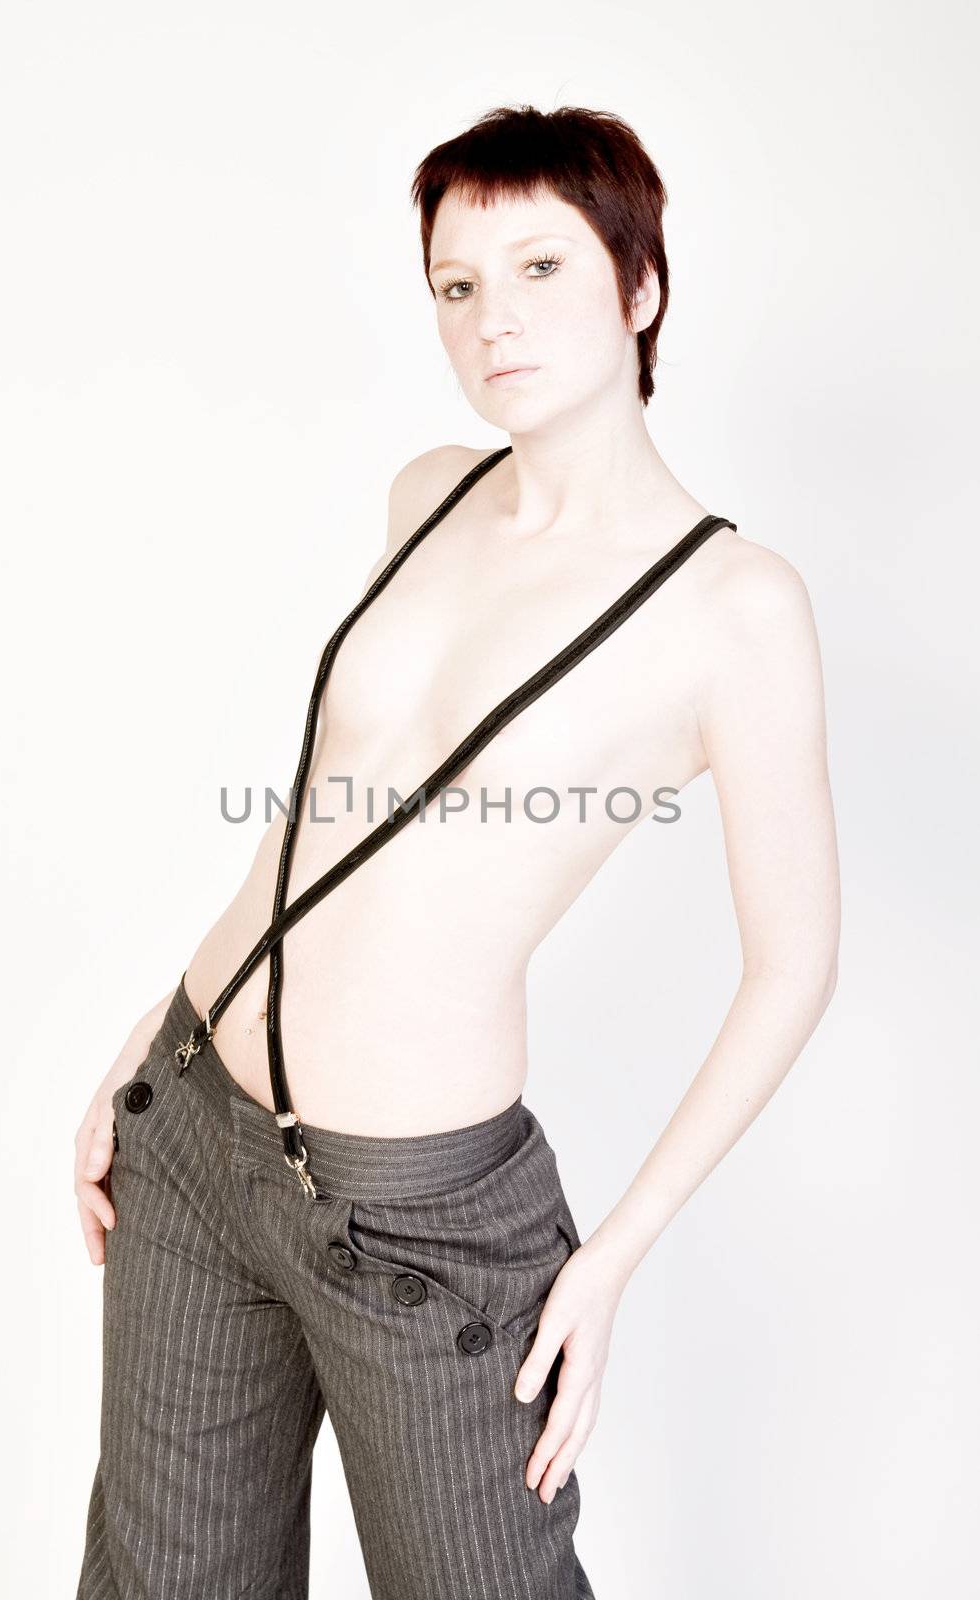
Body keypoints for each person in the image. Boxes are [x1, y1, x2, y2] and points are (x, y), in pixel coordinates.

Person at [73, 103, 840, 1600]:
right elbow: (321, 817)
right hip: (191, 1139)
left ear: (642, 287)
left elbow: (793, 966)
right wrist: (139, 1051)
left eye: (543, 268)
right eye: (458, 285)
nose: (494, 321)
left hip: (418, 1218)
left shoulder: (732, 607)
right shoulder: (426, 493)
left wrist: (611, 1255)